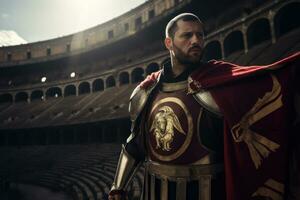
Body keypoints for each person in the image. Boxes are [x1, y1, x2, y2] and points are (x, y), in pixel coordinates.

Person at [108, 13, 300, 200]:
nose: (196, 41)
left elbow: (267, 86)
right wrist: (118, 186)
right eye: (187, 35)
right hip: (154, 191)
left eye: (200, 35)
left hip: (210, 190)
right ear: (169, 43)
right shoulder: (148, 91)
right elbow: (135, 145)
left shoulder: (220, 81)